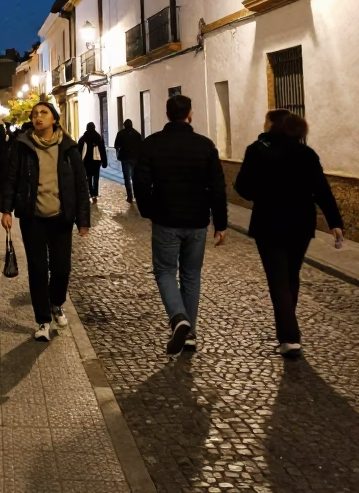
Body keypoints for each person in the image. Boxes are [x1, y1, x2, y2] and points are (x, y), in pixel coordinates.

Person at [234, 109, 344, 358]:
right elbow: (321, 189)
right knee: (291, 275)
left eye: (267, 120)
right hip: (301, 224)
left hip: (269, 222)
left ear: (275, 126)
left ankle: (289, 337)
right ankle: (289, 330)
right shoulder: (306, 153)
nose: (263, 123)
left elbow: (242, 186)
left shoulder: (257, 150)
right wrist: (334, 221)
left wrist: (260, 195)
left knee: (278, 279)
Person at [133, 94, 227, 354]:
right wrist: (220, 223)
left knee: (164, 272)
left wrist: (148, 211)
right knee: (191, 276)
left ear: (166, 114)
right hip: (197, 220)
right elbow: (217, 187)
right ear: (190, 113)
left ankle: (178, 318)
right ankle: (190, 335)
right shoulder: (205, 145)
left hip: (166, 219)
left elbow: (140, 182)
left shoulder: (152, 144)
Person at [0, 99, 90, 341]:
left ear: (53, 119)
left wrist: (83, 220)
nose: (38, 116)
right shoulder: (22, 146)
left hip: (61, 218)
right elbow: (9, 179)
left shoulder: (68, 148)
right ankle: (42, 320)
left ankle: (56, 303)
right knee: (38, 269)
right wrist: (6, 210)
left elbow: (81, 185)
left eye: (43, 112)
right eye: (34, 114)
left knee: (62, 269)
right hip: (33, 218)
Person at [114, 118, 144, 205]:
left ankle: (129, 196)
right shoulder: (137, 134)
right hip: (135, 158)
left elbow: (116, 145)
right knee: (135, 177)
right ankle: (137, 195)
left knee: (127, 178)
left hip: (125, 158)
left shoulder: (120, 134)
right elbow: (141, 146)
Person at [78, 122, 108, 203]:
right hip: (96, 162)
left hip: (87, 162)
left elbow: (79, 151)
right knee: (96, 177)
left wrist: (78, 162)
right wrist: (104, 162)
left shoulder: (83, 138)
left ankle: (90, 192)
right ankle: (95, 193)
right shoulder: (98, 138)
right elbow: (103, 150)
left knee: (88, 177)